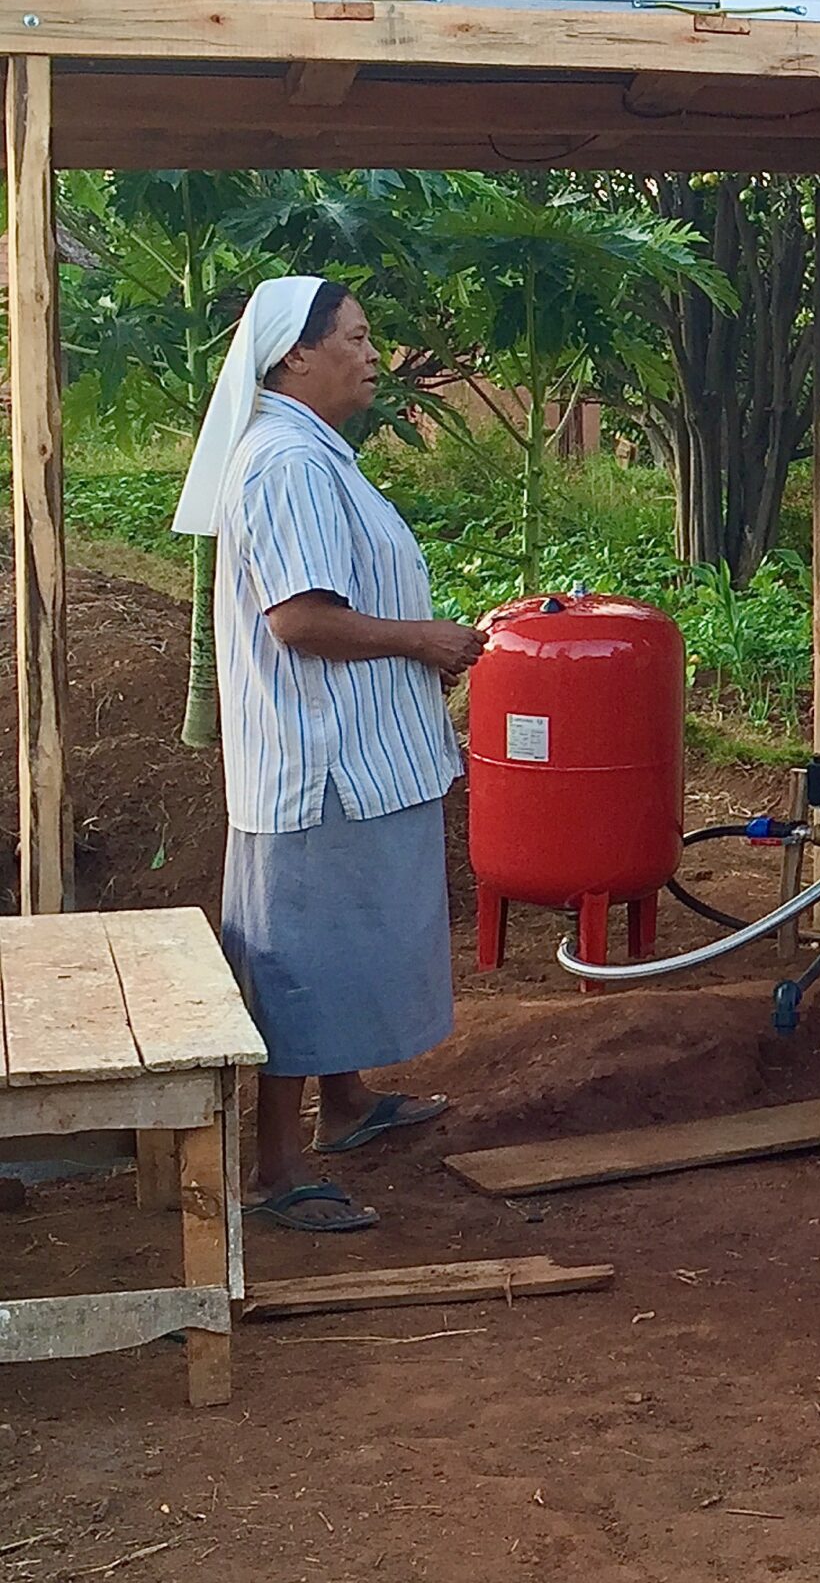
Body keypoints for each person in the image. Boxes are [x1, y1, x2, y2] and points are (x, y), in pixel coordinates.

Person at [173, 276, 487, 1233]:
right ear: (295, 355)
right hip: (322, 765)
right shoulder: (285, 463)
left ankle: (344, 1105)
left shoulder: (311, 451)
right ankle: (274, 1169)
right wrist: (424, 641)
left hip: (353, 751)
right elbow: (301, 619)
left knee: (336, 942)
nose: (372, 353)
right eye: (354, 336)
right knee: (299, 960)